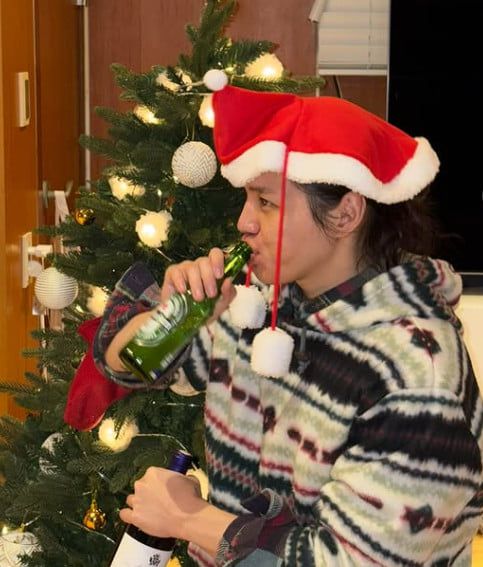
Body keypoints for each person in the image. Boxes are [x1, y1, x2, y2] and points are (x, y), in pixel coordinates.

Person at [94, 83, 483, 566]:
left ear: (345, 213)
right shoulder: (262, 306)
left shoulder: (418, 373)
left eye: (266, 202)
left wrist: (188, 519)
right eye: (247, 199)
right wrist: (170, 316)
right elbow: (124, 364)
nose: (244, 222)